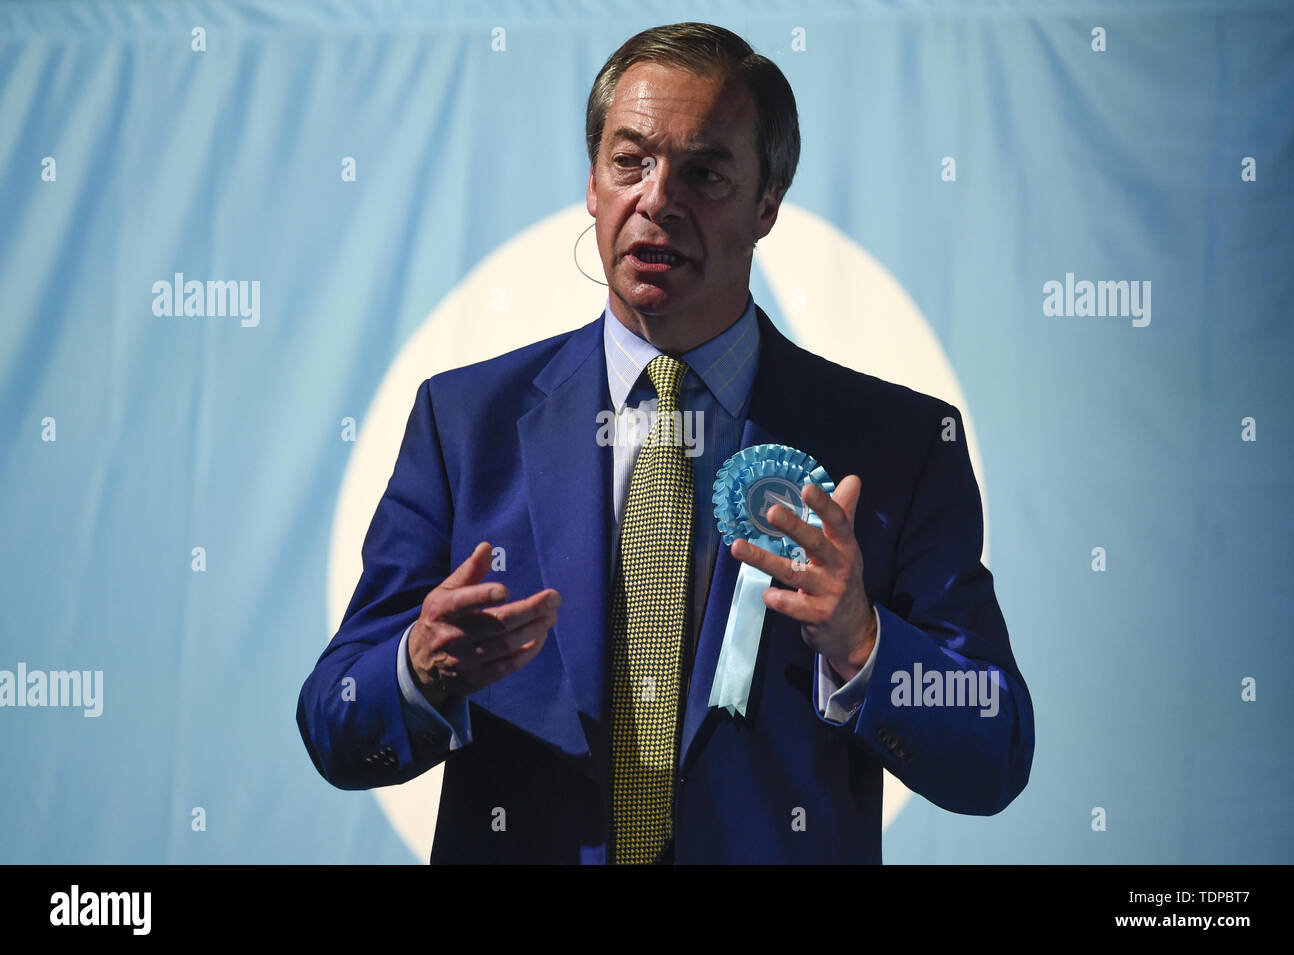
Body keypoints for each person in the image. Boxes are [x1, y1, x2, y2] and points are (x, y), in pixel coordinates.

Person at [296, 21, 1034, 864]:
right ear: (591, 183)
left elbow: (995, 749)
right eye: (631, 161)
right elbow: (335, 714)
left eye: (705, 172)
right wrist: (417, 670)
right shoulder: (465, 423)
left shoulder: (901, 444)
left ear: (768, 203)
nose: (657, 198)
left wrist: (864, 645)